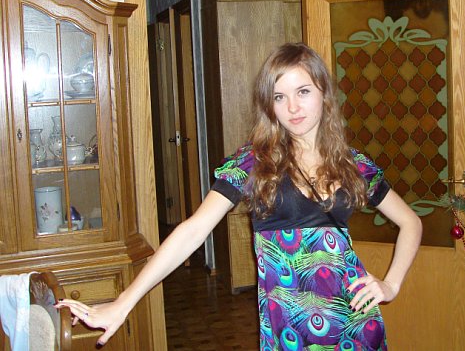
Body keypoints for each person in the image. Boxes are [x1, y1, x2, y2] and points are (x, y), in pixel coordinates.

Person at [56, 42, 422, 349]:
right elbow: (193, 230)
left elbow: (410, 222)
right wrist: (124, 302)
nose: (293, 107)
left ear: (324, 93)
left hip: (355, 324)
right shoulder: (254, 163)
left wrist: (390, 284)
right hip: (289, 330)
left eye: (303, 91)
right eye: (280, 97)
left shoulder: (354, 165)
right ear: (269, 105)